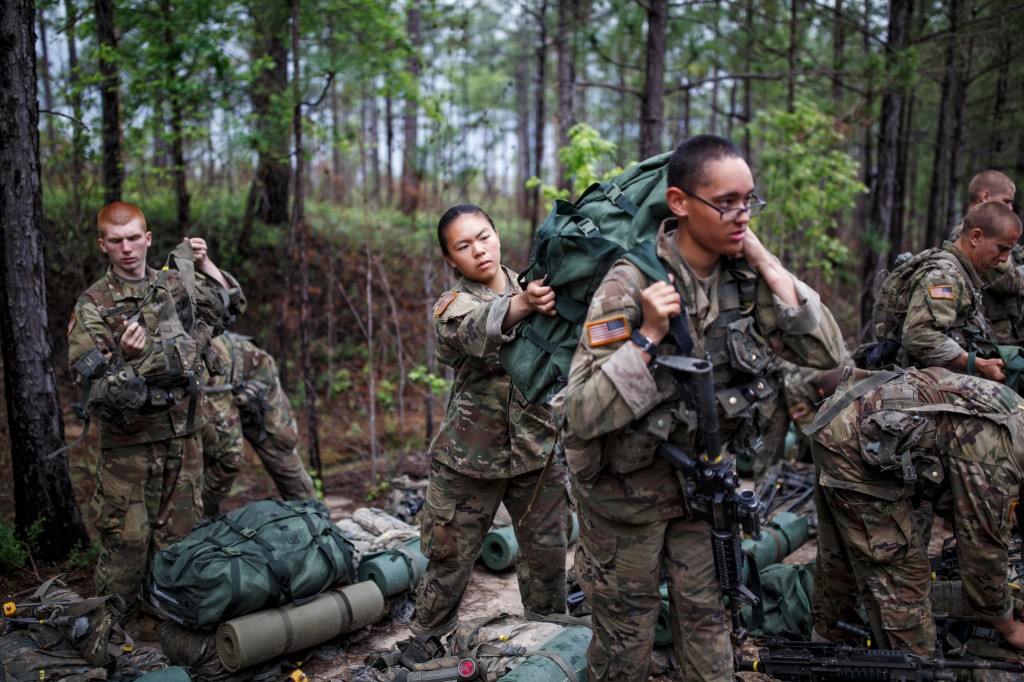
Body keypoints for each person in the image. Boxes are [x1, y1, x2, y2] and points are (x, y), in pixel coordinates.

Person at [563, 135, 847, 682]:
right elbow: (581, 413)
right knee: (625, 646)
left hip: (703, 494)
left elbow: (827, 352)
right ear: (680, 203)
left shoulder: (744, 275)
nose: (741, 215)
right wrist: (647, 337)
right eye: (726, 202)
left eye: (750, 202)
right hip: (627, 497)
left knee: (712, 635)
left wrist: (762, 256)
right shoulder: (630, 282)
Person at [66, 201, 245, 614]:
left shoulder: (175, 284)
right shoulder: (91, 304)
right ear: (103, 245)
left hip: (184, 438)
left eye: (133, 238)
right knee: (126, 547)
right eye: (116, 241)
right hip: (129, 448)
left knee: (178, 543)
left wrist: (206, 264)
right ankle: (110, 634)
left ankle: (161, 631)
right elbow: (98, 392)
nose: (126, 248)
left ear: (147, 239)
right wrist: (127, 360)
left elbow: (228, 308)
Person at [409, 204, 569, 637]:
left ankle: (549, 642)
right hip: (468, 459)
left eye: (484, 237)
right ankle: (426, 642)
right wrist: (523, 304)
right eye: (463, 246)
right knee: (447, 561)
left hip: (537, 452)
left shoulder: (541, 285)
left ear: (498, 235)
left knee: (549, 560)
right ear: (450, 260)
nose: (478, 251)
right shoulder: (452, 305)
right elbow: (474, 331)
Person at [806, 365, 1024, 656]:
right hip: (856, 444)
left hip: (851, 419)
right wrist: (1010, 628)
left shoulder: (1017, 418)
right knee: (903, 579)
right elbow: (981, 556)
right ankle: (914, 665)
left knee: (841, 554)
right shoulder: (997, 460)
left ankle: (830, 642)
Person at [900, 201, 1022, 383]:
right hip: (927, 386)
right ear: (975, 237)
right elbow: (918, 334)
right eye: (1002, 248)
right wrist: (976, 363)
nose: (1004, 258)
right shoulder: (945, 276)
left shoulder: (964, 275)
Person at [200, 332, 317, 516]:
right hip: (210, 385)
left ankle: (315, 523)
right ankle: (202, 527)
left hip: (251, 374)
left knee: (279, 445)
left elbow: (231, 455)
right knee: (204, 456)